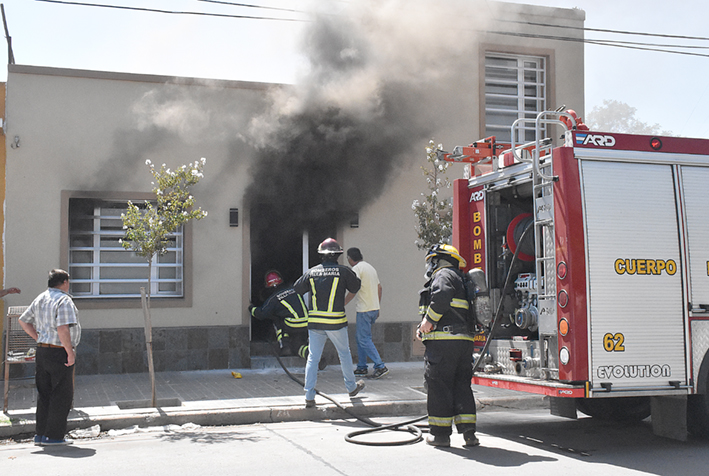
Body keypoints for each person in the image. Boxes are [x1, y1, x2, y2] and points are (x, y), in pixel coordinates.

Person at [417, 244, 479, 448]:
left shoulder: (443, 274)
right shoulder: (462, 279)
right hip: (464, 342)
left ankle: (440, 435)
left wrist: (428, 321)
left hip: (444, 343)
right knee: (462, 386)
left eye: (431, 261)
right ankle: (469, 434)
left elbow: (441, 296)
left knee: (440, 386)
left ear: (438, 260)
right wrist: (424, 327)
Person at [294, 238, 365, 408]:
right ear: (338, 255)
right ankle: (351, 388)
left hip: (315, 323)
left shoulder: (311, 272)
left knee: (313, 358)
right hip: (336, 321)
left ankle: (309, 395)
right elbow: (356, 287)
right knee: (344, 353)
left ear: (321, 256)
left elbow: (297, 289)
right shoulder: (344, 271)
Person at [18, 269, 81, 446]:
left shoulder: (41, 298)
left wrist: (38, 338)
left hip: (42, 351)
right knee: (62, 394)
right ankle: (54, 436)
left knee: (44, 393)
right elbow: (63, 328)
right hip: (58, 351)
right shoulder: (63, 299)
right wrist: (70, 351)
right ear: (65, 282)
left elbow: (23, 320)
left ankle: (40, 434)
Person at [249, 270, 312, 363]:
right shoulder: (294, 290)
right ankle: (312, 355)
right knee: (297, 346)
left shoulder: (274, 299)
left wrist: (251, 308)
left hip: (293, 325)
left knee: (277, 321)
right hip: (307, 323)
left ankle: (285, 346)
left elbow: (262, 314)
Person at [345, 247, 388, 379]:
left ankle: (380, 366)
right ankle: (362, 367)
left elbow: (354, 288)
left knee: (364, 339)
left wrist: (343, 303)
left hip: (364, 309)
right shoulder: (370, 268)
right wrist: (377, 305)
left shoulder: (357, 269)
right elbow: (379, 287)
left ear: (350, 259)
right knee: (361, 339)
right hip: (373, 308)